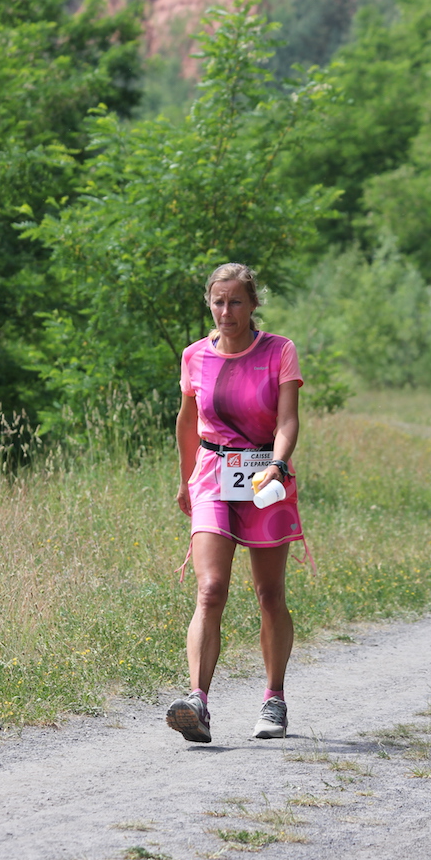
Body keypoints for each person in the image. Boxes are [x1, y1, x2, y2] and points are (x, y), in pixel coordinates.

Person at [166, 262, 307, 744]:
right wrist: (185, 479)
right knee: (210, 590)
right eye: (218, 302)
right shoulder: (194, 356)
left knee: (269, 594)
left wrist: (279, 463)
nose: (226, 312)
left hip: (266, 474)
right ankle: (197, 702)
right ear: (209, 303)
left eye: (236, 302)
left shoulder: (279, 350)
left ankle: (274, 699)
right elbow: (187, 422)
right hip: (212, 473)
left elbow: (287, 420)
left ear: (252, 304)